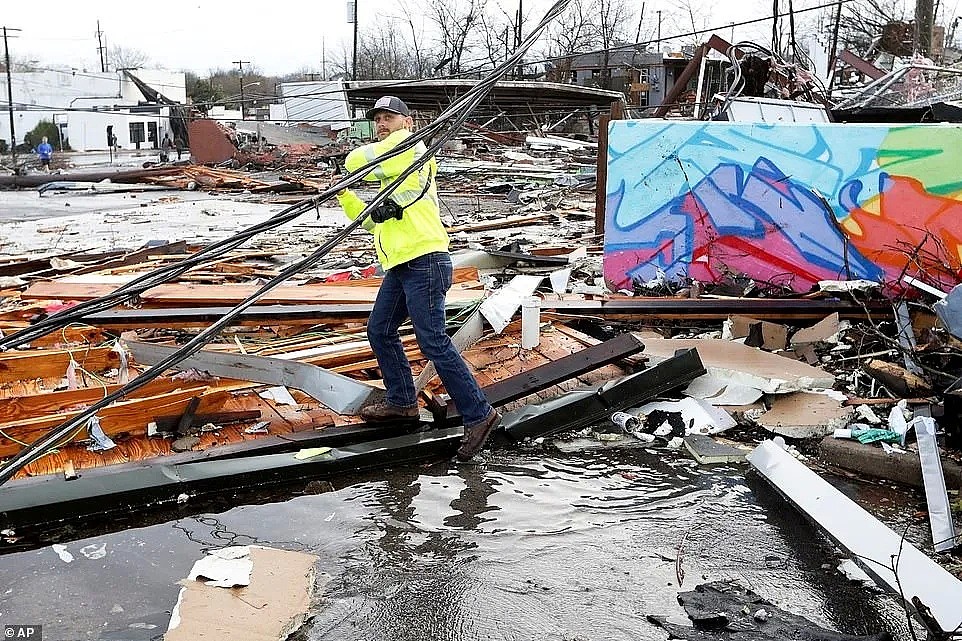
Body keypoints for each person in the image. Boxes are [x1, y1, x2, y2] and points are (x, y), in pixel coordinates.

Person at [335, 96, 500, 461]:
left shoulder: (412, 150)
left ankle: (479, 414)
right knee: (379, 329)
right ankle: (402, 403)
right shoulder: (389, 173)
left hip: (425, 261)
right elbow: (368, 220)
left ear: (407, 122)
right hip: (401, 265)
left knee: (433, 341)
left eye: (389, 117)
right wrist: (344, 193)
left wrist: (350, 167)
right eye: (377, 118)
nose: (382, 123)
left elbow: (356, 159)